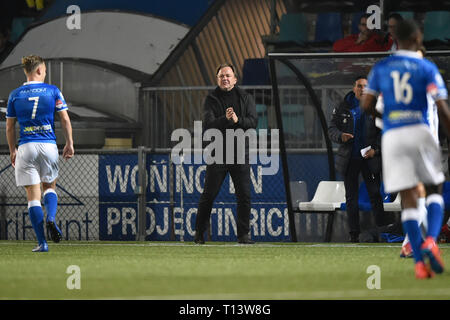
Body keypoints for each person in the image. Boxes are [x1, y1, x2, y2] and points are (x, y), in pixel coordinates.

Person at [362, 19, 450, 279]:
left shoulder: (381, 67)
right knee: (434, 186)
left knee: (409, 197)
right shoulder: (426, 67)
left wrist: (384, 114)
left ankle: (419, 261)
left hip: (392, 136)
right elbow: (442, 108)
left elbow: (366, 103)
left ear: (395, 39)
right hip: (420, 131)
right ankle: (431, 241)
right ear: (417, 38)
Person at [6, 55, 74, 252]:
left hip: (26, 147)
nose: (45, 74)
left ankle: (42, 243)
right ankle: (51, 218)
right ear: (38, 71)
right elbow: (65, 119)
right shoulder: (52, 90)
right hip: (48, 146)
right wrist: (69, 143)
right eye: (44, 70)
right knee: (49, 187)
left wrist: (12, 150)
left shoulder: (15, 94)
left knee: (32, 197)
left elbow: (10, 128)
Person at [194, 63, 257, 244]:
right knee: (208, 196)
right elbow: (208, 125)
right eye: (221, 76)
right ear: (217, 79)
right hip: (218, 153)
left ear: (235, 79)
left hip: (239, 153)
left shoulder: (246, 98)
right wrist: (226, 119)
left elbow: (253, 122)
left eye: (228, 75)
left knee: (244, 195)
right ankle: (199, 233)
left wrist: (238, 120)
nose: (225, 78)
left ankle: (243, 235)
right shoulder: (211, 99)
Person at [328, 75, 388, 243]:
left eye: (366, 86)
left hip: (370, 159)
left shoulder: (377, 106)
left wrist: (375, 150)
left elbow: (384, 131)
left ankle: (383, 232)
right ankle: (354, 234)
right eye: (359, 86)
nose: (363, 89)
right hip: (350, 158)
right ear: (354, 88)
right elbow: (331, 128)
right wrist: (341, 136)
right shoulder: (343, 106)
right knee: (351, 198)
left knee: (376, 195)